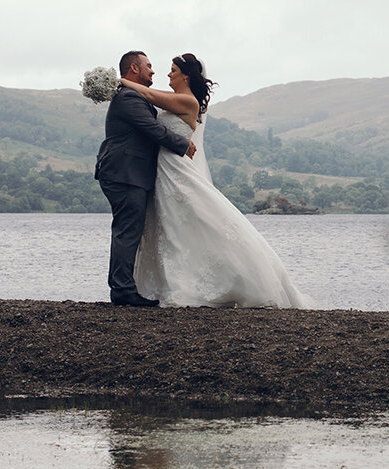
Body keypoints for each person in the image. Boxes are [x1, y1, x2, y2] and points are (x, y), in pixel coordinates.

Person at [118, 53, 311, 308]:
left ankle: (230, 279)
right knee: (173, 227)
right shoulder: (176, 98)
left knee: (199, 221)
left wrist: (119, 81)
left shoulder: (188, 102)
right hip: (163, 172)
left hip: (178, 171)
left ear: (186, 75)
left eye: (173, 70)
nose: (168, 74)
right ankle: (171, 281)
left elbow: (151, 96)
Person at [97, 50, 196, 307]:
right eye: (148, 66)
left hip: (131, 173)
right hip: (124, 173)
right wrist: (182, 143)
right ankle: (122, 291)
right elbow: (152, 129)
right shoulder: (128, 97)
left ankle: (124, 287)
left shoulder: (133, 94)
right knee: (127, 230)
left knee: (129, 229)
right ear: (133, 69)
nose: (153, 71)